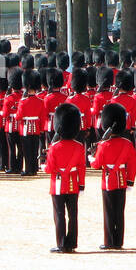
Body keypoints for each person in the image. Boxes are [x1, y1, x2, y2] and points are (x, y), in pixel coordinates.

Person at [91, 102, 136, 250]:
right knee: (119, 211)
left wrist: (91, 158)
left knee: (109, 212)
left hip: (108, 181)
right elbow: (133, 164)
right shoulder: (127, 143)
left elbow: (97, 164)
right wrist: (130, 181)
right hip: (122, 180)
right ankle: (119, 241)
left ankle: (109, 241)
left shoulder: (104, 145)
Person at [45, 103, 87, 253]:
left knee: (59, 214)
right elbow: (82, 167)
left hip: (57, 184)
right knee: (73, 215)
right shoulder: (79, 146)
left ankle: (61, 243)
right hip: (73, 183)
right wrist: (81, 185)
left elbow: (49, 169)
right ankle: (72, 243)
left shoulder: (54, 147)